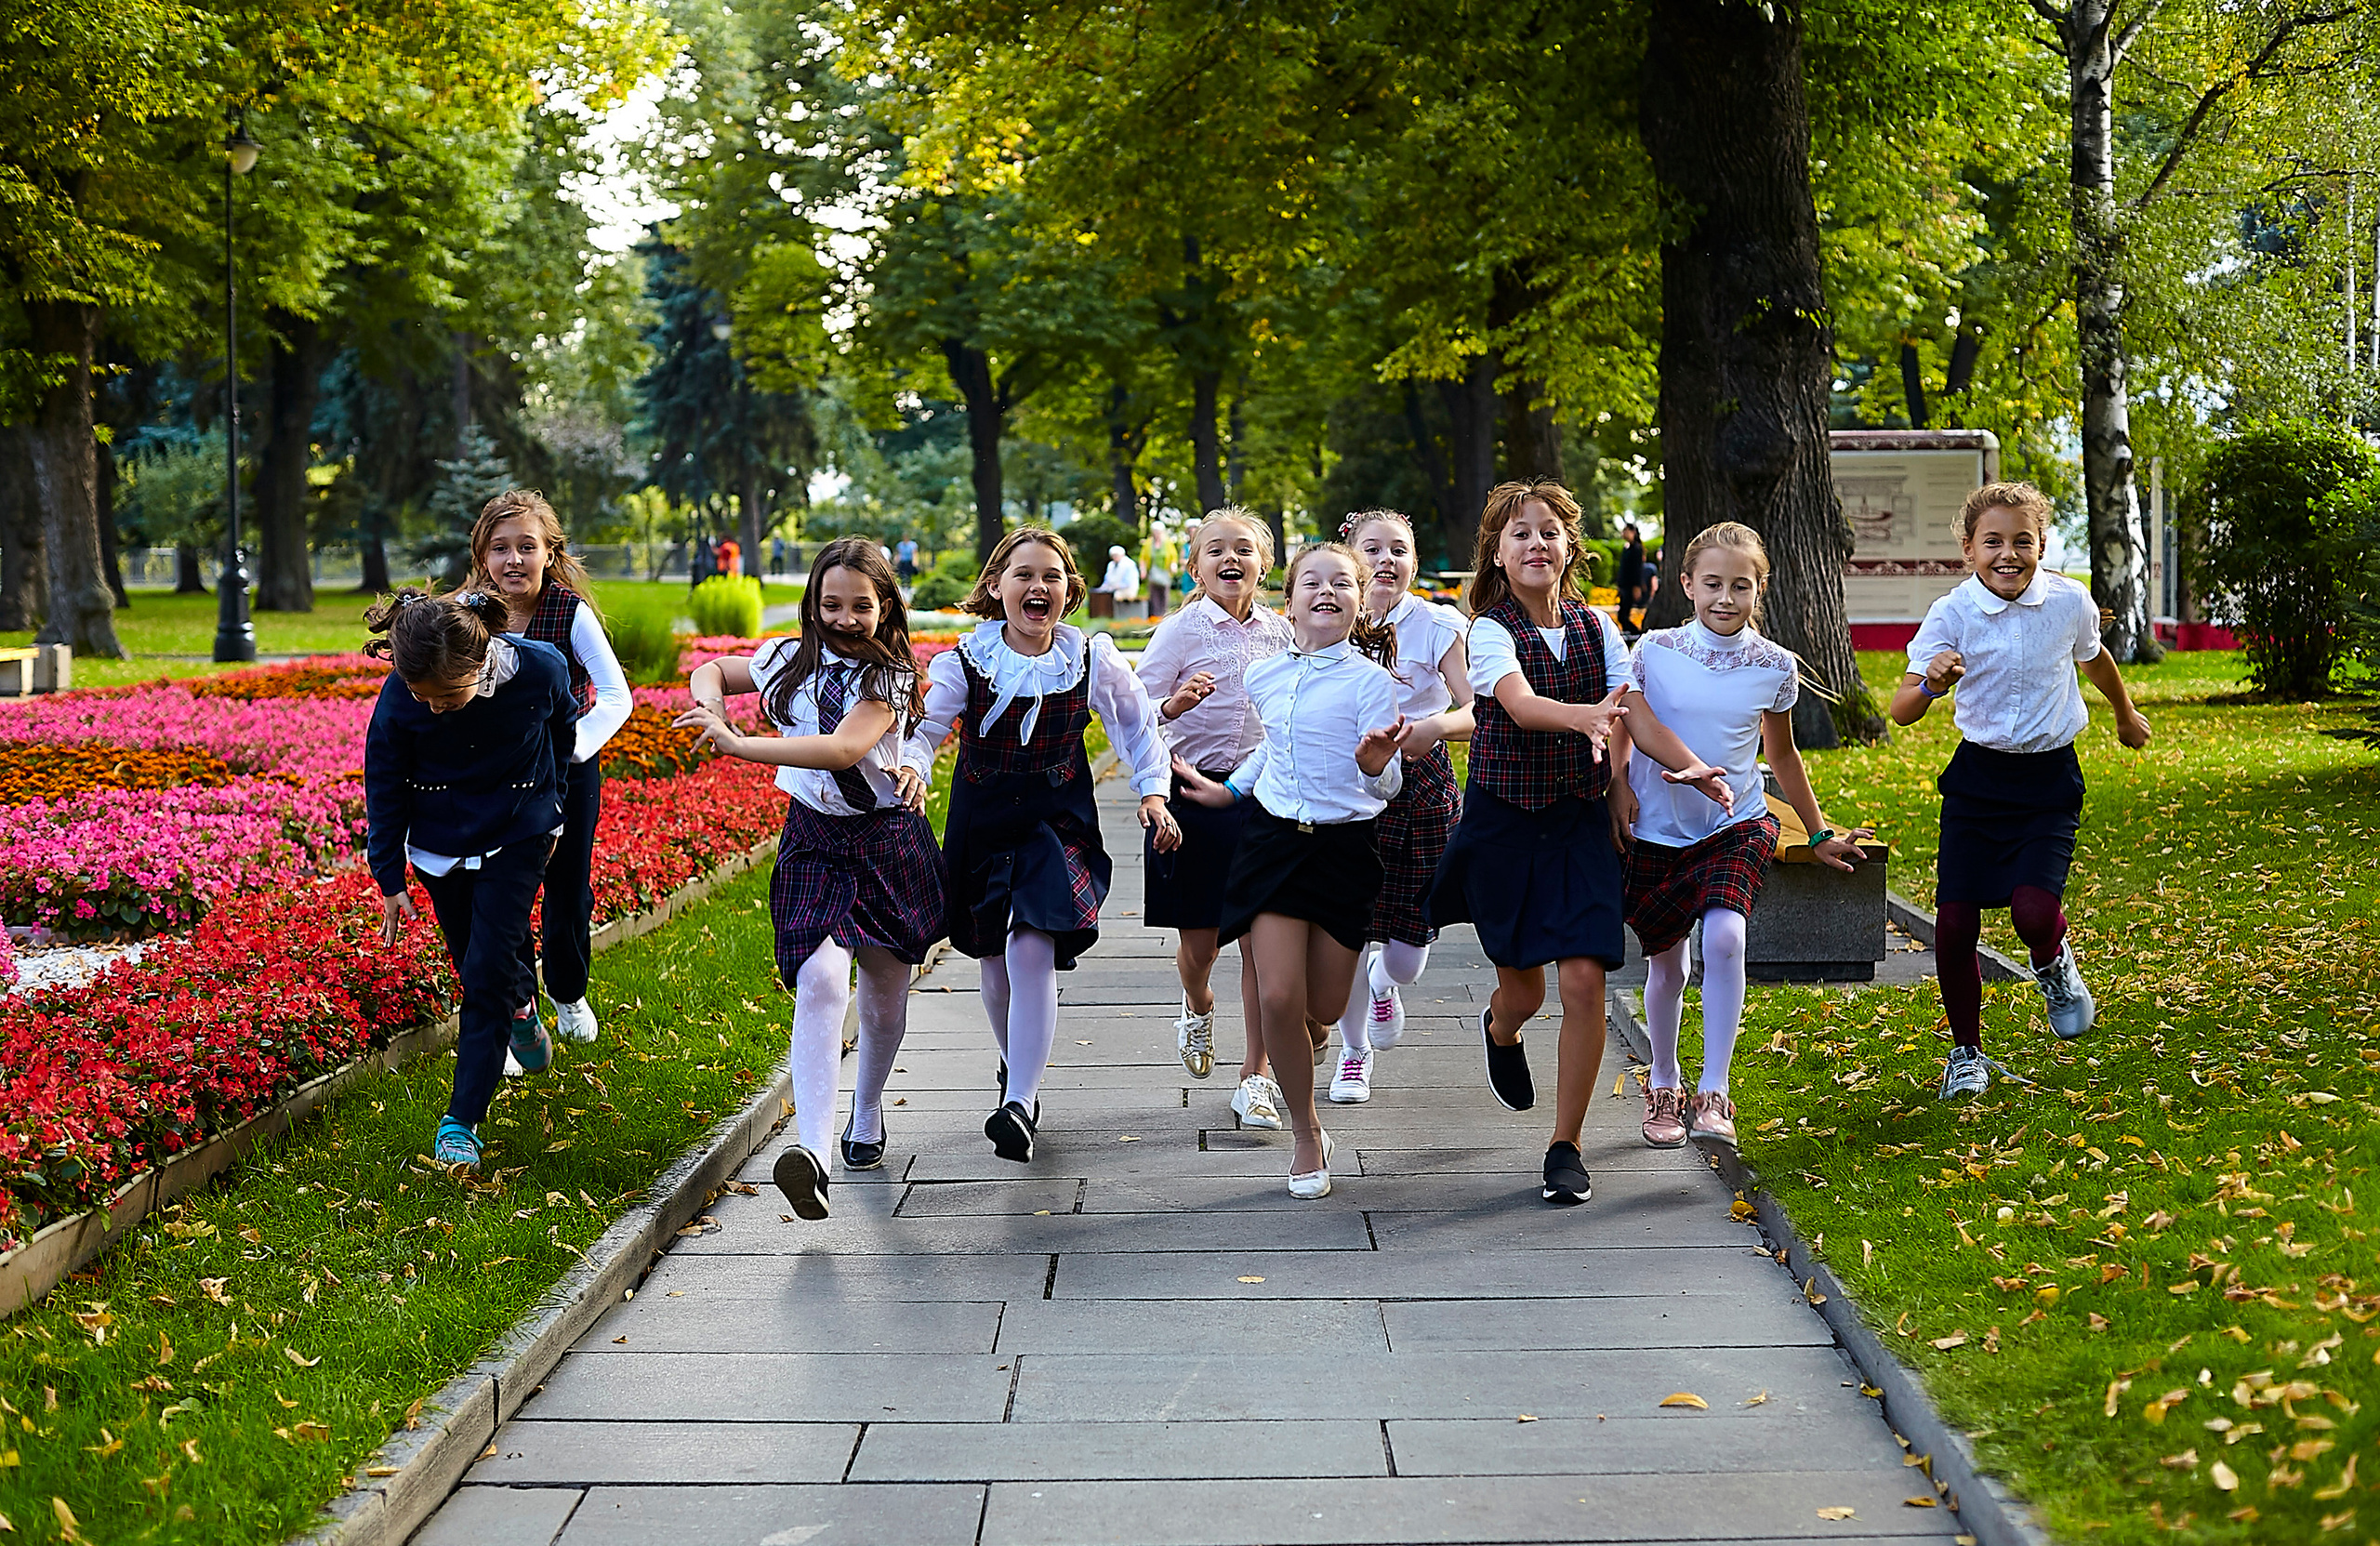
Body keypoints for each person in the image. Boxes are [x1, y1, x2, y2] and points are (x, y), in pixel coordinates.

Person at [1427, 480, 1732, 1207]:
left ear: (1570, 547)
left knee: (1584, 980)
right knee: (1525, 991)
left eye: (1549, 532)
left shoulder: (1599, 626)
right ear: (1497, 554)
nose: (1536, 543)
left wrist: (1688, 764)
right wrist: (1586, 716)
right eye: (1520, 533)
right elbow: (1519, 705)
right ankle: (1501, 1029)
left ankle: (1566, 1146)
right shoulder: (1490, 630)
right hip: (1505, 826)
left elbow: (1637, 715)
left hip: (1578, 823)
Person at [676, 538, 945, 1219]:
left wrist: (742, 745)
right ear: (812, 604)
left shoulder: (889, 677)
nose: (845, 618)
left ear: (886, 609)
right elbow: (712, 668)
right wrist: (712, 706)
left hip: (886, 841)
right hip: (815, 841)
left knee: (883, 1001)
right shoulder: (787, 660)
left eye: (861, 605)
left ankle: (868, 1108)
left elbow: (844, 748)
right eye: (831, 604)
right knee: (821, 979)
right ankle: (813, 1155)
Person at [911, 528, 1180, 1163]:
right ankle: (1017, 1073)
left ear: (1069, 589)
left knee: (1030, 941)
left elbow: (1137, 726)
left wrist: (1153, 792)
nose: (1039, 587)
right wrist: (913, 769)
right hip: (982, 821)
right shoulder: (965, 661)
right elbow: (923, 730)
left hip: (1057, 823)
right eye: (1024, 575)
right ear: (996, 586)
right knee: (993, 957)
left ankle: (1018, 1101)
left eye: (1052, 576)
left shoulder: (1090, 659)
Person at [1612, 522, 1871, 1150]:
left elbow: (1781, 754)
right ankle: (1665, 1080)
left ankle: (1715, 1089)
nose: (1725, 598)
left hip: (1737, 823)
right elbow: (1625, 720)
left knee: (1727, 937)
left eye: (1740, 586)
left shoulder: (1776, 665)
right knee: (1667, 964)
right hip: (1658, 829)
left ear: (1760, 589)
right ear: (1686, 584)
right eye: (1712, 584)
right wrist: (1618, 784)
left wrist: (1818, 832)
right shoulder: (1653, 649)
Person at [1891, 481, 2151, 1100]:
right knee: (1955, 925)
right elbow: (1901, 710)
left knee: (2033, 914)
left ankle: (2053, 962)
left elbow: (2094, 659)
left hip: (2047, 781)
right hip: (1977, 783)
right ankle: (1966, 1053)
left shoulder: (2068, 601)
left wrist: (2124, 713)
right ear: (1969, 549)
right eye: (1993, 542)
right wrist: (1930, 685)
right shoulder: (1952, 613)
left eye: (2022, 541)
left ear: (2041, 546)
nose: (2007, 554)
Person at [1173, 544, 1409, 1198]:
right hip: (1273, 843)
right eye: (1312, 582)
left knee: (1320, 1007)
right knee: (1277, 996)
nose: (1326, 591)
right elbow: (1272, 749)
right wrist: (1230, 791)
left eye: (1342, 583)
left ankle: (1310, 1035)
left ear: (1359, 604)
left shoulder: (1371, 682)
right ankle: (1308, 1134)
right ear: (1291, 601)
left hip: (1344, 850)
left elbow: (1388, 781)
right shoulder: (1266, 676)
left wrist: (1375, 764)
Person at [364, 588, 578, 1172]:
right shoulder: (400, 695)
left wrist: (555, 807)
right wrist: (389, 875)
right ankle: (521, 1005)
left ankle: (461, 1124)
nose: (433, 708)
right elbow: (383, 781)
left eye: (446, 697)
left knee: (483, 975)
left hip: (520, 832)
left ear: (480, 664)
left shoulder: (541, 668)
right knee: (475, 961)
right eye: (422, 697)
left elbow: (562, 734)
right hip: (439, 845)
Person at [1132, 509, 1295, 1127]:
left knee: (1262, 943)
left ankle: (1256, 1077)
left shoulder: (1282, 633)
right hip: (1189, 795)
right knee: (1200, 945)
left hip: (1261, 798)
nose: (1231, 559)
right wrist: (1173, 705)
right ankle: (1197, 1003)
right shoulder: (1179, 632)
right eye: (1216, 550)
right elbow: (1134, 713)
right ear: (1195, 567)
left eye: (1244, 549)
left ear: (1264, 565)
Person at [465, 490, 632, 1051]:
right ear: (482, 555)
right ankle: (518, 1010)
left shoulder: (569, 612)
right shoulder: (467, 613)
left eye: (526, 547)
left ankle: (567, 992)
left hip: (567, 772)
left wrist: (568, 748)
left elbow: (616, 696)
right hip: (495, 775)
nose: (513, 560)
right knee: (500, 891)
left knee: (566, 887)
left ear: (549, 552)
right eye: (500, 548)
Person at [1328, 510, 1474, 1105]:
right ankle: (1353, 1052)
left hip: (1423, 786)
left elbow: (1478, 708)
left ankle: (1386, 983)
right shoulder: (1325, 615)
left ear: (1414, 561)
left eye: (1399, 550)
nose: (1386, 560)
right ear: (1350, 555)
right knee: (1348, 929)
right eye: (1373, 549)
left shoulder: (1438, 625)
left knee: (1408, 949)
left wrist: (1434, 725)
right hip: (1347, 784)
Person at [1616, 523, 1647, 636]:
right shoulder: (1627, 548)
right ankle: (1631, 635)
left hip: (1630, 586)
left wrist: (1637, 586)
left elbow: (1637, 570)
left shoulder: (1636, 549)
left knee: (1623, 615)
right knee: (1622, 615)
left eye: (1626, 531)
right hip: (1624, 586)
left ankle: (1637, 635)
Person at [1096, 544, 1142, 619]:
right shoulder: (1111, 565)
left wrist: (1117, 586)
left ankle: (1118, 616)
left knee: (1116, 596)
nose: (1115, 557)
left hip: (1128, 589)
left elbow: (1128, 581)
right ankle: (1103, 615)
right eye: (1113, 555)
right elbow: (1107, 578)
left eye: (1116, 555)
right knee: (1102, 594)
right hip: (1113, 588)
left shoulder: (1129, 564)